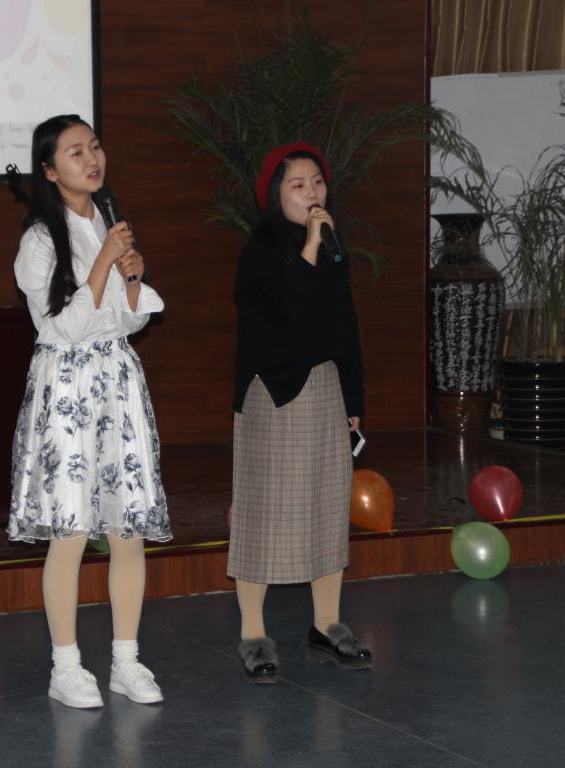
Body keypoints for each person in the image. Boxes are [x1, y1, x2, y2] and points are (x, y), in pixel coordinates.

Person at [7, 114, 171, 709]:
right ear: (49, 170)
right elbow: (66, 327)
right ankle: (66, 666)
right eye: (75, 152)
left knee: (127, 529)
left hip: (117, 379)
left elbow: (127, 319)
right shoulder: (38, 242)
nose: (91, 158)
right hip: (68, 385)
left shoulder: (108, 220)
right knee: (71, 532)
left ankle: (126, 660)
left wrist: (134, 279)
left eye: (95, 146)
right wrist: (104, 259)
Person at [229, 141, 371, 682]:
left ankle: (327, 623)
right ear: (275, 195)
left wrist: (354, 403)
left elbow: (345, 326)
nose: (312, 193)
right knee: (265, 511)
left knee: (327, 505)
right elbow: (288, 308)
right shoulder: (258, 254)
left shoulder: (332, 248)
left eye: (317, 182)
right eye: (298, 184)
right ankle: (253, 634)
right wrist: (311, 245)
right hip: (274, 393)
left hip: (325, 389)